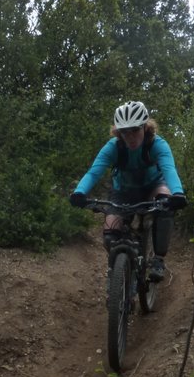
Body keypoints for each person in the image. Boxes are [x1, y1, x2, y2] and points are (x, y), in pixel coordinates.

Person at [69, 101, 187, 282]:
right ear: (118, 132)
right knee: (110, 234)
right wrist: (79, 192)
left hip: (153, 186)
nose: (130, 137)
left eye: (135, 130)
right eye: (125, 132)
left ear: (145, 128)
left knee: (165, 202)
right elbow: (94, 172)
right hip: (124, 191)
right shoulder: (113, 147)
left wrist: (177, 193)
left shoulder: (157, 145)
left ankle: (158, 259)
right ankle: (120, 273)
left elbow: (169, 169)